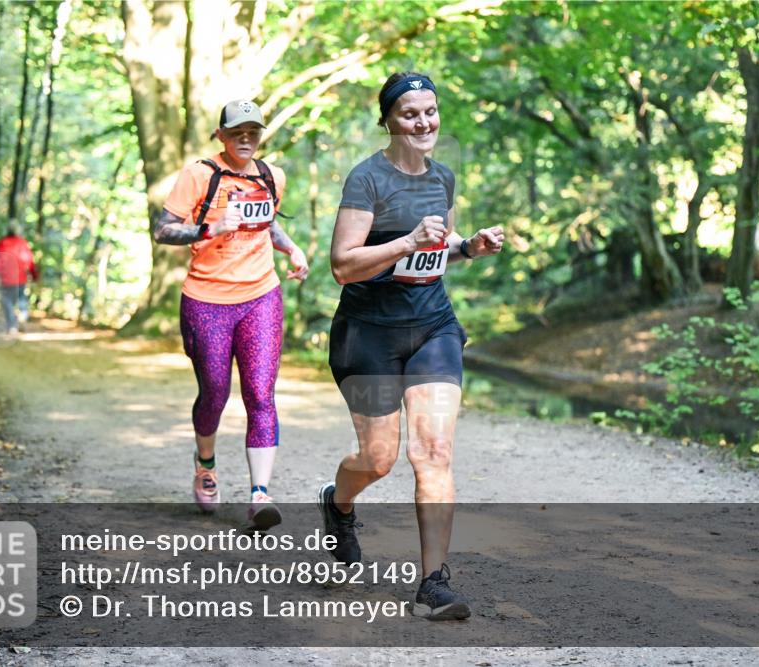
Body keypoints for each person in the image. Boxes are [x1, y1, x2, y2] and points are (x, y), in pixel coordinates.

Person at [317, 72, 504, 620]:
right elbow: (342, 266)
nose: (424, 123)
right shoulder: (367, 179)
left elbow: (436, 253)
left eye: (430, 111)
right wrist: (404, 240)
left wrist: (469, 246)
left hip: (433, 327)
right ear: (389, 121)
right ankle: (338, 503)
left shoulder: (442, 178)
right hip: (368, 332)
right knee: (378, 459)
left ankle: (433, 582)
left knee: (434, 451)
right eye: (409, 114)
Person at [155, 99, 308, 530]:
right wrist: (211, 228)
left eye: (253, 131)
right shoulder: (198, 174)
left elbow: (269, 224)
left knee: (261, 392)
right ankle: (206, 463)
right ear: (221, 134)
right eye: (237, 131)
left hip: (261, 294)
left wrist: (291, 247)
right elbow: (163, 229)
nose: (246, 138)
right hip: (206, 299)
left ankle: (261, 494)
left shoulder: (271, 175)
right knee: (215, 393)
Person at [0, 223, 39, 334]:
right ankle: (22, 315)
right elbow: (30, 260)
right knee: (21, 297)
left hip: (6, 277)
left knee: (7, 300)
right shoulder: (23, 243)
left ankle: (12, 325)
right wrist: (34, 275)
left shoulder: (2, 243)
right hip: (20, 276)